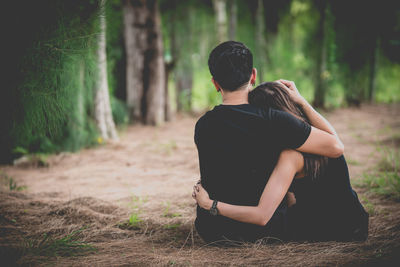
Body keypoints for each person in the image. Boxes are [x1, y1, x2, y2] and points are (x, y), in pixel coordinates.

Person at [192, 40, 353, 244]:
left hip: (212, 231)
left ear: (215, 83)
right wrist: (301, 102)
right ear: (253, 75)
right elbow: (336, 147)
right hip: (267, 231)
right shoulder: (273, 119)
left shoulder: (203, 125)